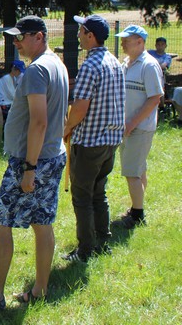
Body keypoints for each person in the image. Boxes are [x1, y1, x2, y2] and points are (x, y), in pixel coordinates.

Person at [0, 15, 68, 316]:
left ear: (39, 36)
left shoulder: (37, 70)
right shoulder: (57, 64)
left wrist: (30, 168)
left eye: (20, 37)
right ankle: (40, 291)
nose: (16, 42)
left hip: (32, 161)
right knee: (42, 223)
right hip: (52, 154)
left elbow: (39, 121)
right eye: (14, 37)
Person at [61, 15, 125, 262]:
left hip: (90, 142)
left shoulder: (90, 65)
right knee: (99, 192)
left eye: (81, 31)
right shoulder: (114, 61)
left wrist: (67, 127)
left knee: (82, 197)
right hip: (111, 140)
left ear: (90, 36)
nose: (78, 34)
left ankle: (86, 250)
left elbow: (80, 107)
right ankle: (102, 241)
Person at [115, 25, 164, 229]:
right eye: (122, 39)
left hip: (139, 127)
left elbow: (155, 98)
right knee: (138, 169)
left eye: (127, 40)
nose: (123, 43)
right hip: (128, 126)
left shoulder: (149, 65)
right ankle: (137, 206)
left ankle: (137, 215)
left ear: (140, 42)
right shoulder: (126, 63)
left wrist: (132, 123)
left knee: (131, 172)